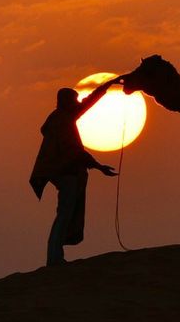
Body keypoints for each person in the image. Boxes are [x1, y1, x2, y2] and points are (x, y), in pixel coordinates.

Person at [29, 82, 119, 266]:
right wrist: (99, 166)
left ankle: (55, 256)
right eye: (74, 100)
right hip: (65, 173)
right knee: (64, 214)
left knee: (65, 213)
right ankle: (54, 258)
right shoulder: (61, 121)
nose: (77, 103)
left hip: (65, 172)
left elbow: (88, 102)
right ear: (66, 101)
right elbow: (74, 151)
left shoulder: (61, 117)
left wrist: (108, 85)